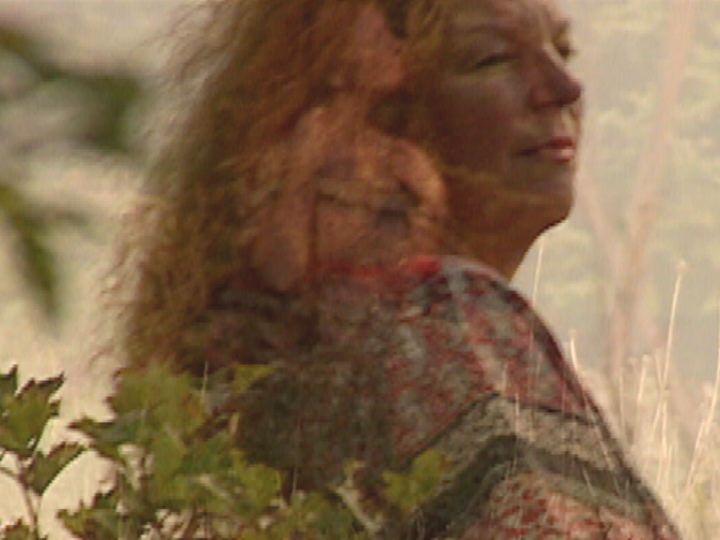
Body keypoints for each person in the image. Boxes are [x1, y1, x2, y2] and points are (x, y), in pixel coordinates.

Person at [118, 0, 681, 537]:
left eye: (562, 50)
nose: (564, 87)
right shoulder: (439, 314)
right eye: (492, 60)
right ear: (379, 119)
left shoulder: (301, 354)